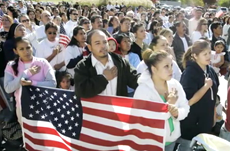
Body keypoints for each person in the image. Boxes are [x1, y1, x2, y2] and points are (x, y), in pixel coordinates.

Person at [133, 51, 190, 151]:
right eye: (166, 66)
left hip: (171, 140)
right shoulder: (142, 90)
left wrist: (177, 113)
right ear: (154, 69)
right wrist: (169, 105)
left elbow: (185, 106)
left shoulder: (175, 84)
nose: (171, 69)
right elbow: (146, 119)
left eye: (171, 65)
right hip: (151, 143)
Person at [4, 37, 56, 126]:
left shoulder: (43, 62)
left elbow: (52, 84)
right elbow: (8, 88)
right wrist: (26, 74)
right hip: (23, 108)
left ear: (32, 48)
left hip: (43, 105)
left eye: (28, 47)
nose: (26, 51)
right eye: (21, 49)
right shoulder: (11, 65)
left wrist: (32, 83)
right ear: (15, 51)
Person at [178, 40, 219, 151]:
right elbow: (189, 100)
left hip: (205, 121)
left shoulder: (210, 70)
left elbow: (214, 95)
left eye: (209, 53)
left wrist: (213, 114)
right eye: (204, 54)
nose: (208, 56)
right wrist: (205, 87)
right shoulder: (189, 73)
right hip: (192, 123)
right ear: (195, 56)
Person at [74, 30, 140, 98]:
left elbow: (135, 79)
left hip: (118, 108)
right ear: (89, 47)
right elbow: (81, 91)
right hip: (96, 108)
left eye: (105, 42)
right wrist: (104, 78)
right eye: (97, 43)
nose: (103, 46)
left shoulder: (119, 61)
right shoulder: (83, 66)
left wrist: (148, 78)